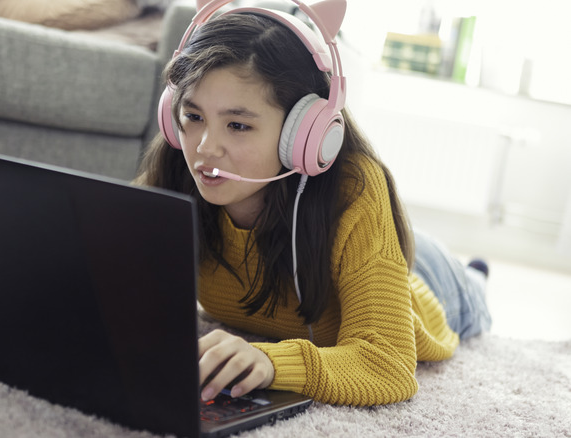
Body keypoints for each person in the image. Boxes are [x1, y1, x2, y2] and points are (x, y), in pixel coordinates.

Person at [135, 1, 491, 407]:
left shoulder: (353, 189)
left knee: (470, 289)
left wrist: (269, 360)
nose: (204, 148)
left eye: (237, 125)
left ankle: (477, 274)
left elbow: (387, 365)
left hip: (435, 285)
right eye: (193, 115)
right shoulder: (174, 167)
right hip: (363, 250)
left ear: (304, 135)